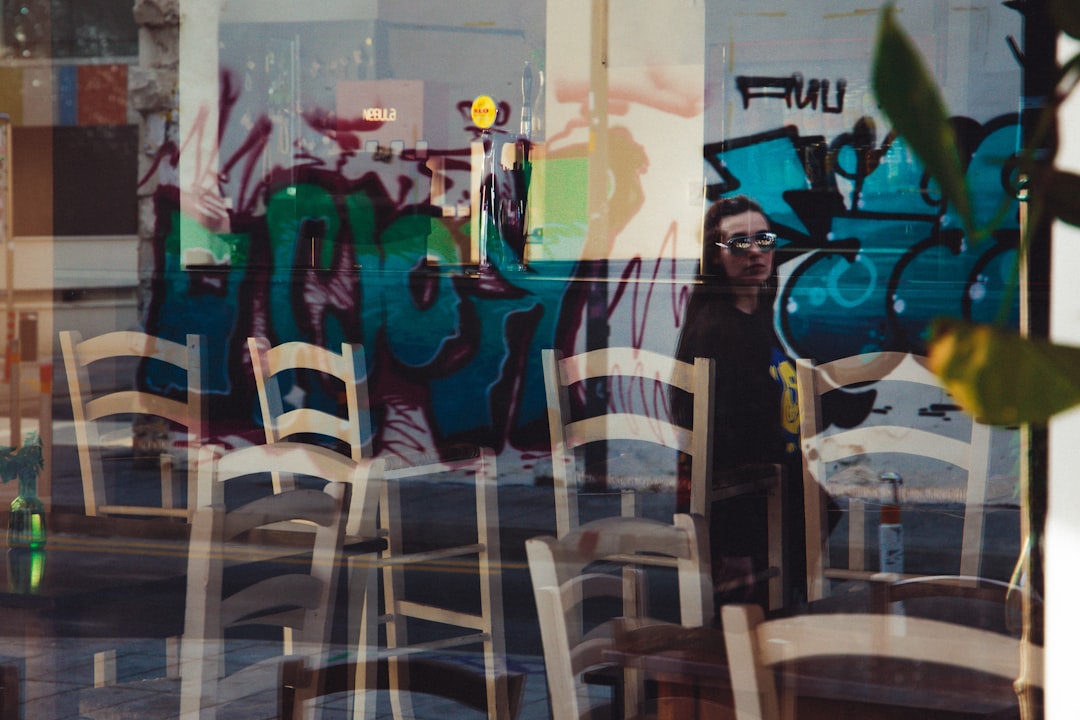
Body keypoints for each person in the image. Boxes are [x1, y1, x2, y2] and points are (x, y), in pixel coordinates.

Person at [672, 194, 807, 606]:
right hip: (745, 513)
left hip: (769, 505)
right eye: (738, 243)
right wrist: (734, 545)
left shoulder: (754, 317)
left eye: (763, 239)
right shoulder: (719, 330)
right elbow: (716, 442)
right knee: (746, 639)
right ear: (715, 257)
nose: (755, 252)